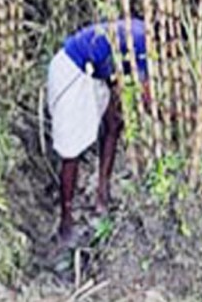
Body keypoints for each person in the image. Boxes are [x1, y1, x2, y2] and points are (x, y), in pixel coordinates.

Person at [45, 18, 149, 248]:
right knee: (70, 150)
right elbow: (146, 98)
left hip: (98, 75)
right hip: (72, 71)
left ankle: (102, 194)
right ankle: (66, 222)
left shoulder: (143, 34)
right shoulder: (142, 41)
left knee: (114, 123)